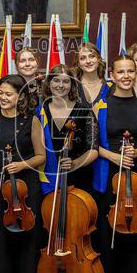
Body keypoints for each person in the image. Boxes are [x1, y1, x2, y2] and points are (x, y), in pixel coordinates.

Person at [92, 56, 137, 273]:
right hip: (109, 172)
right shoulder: (101, 106)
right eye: (121, 71)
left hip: (135, 172)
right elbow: (92, 144)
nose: (127, 75)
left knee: (133, 231)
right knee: (109, 230)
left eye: (130, 71)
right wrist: (115, 157)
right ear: (112, 74)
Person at [0, 74, 47, 273]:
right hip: (0, 187)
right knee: (0, 242)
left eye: (8, 94)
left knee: (28, 241)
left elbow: (42, 156)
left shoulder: (31, 120)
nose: (2, 97)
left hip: (26, 186)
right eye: (0, 93)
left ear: (20, 96)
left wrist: (22, 165)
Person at [38, 63, 97, 193]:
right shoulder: (40, 112)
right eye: (56, 80)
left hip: (79, 178)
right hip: (48, 179)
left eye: (66, 81)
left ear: (72, 85)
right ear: (49, 83)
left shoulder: (85, 112)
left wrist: (75, 163)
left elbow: (93, 150)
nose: (60, 85)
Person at [73, 42, 110, 107]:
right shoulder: (72, 87)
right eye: (83, 58)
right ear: (78, 63)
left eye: (92, 56)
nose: (88, 61)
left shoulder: (110, 87)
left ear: (98, 59)